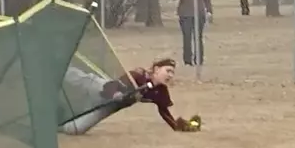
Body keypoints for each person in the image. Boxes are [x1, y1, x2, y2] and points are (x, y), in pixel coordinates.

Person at [58, 58, 199, 135]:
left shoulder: (160, 90)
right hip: (100, 89)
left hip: (109, 106)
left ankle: (52, 126)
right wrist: (116, 94)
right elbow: (113, 86)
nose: (170, 75)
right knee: (74, 77)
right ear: (156, 69)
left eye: (172, 73)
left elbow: (164, 111)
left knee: (75, 129)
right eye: (168, 71)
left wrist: (177, 126)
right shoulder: (138, 74)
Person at [171, 0, 213, 66]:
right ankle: (187, 60)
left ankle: (199, 59)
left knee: (198, 37)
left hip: (199, 14)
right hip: (185, 14)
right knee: (187, 37)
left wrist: (209, 11)